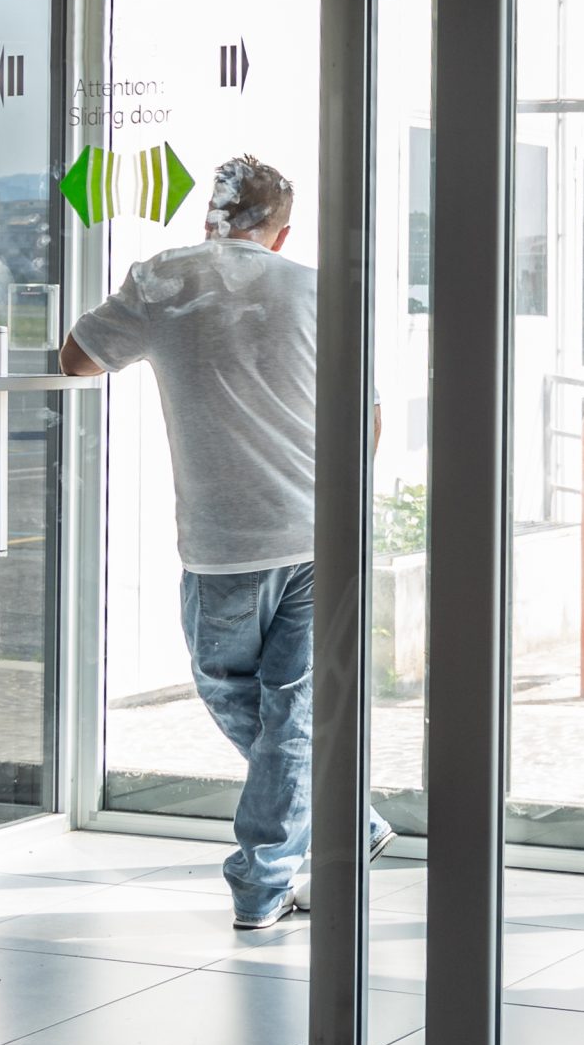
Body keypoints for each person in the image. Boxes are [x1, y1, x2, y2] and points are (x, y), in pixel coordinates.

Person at [60, 153, 391, 930]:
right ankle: (350, 823)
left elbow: (77, 360)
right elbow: (367, 416)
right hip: (323, 529)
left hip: (225, 536)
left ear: (209, 216)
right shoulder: (316, 287)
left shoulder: (164, 278)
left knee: (229, 687)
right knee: (294, 709)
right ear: (281, 232)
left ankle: (261, 880)